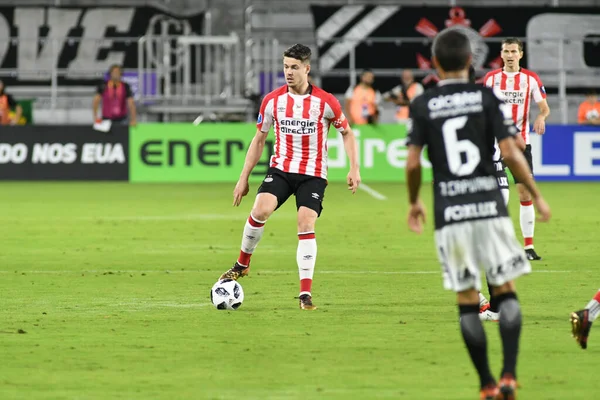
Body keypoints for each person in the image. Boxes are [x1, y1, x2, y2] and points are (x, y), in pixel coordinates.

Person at [405, 29, 551, 399]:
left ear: (435, 64)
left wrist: (413, 202)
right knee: (506, 292)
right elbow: (512, 152)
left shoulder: (424, 103)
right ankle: (509, 375)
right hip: (489, 206)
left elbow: (411, 163)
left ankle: (485, 383)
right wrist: (536, 194)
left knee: (468, 300)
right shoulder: (485, 96)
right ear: (471, 61)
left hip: (450, 214)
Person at [218, 44, 361, 310]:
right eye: (285, 66)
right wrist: (243, 178)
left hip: (313, 173)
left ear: (307, 68)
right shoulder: (273, 100)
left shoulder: (325, 101)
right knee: (260, 210)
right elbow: (259, 139)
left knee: (305, 221)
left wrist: (354, 167)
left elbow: (347, 133)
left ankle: (305, 294)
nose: (289, 72)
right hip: (282, 169)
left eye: (294, 67)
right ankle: (242, 264)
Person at [483, 38, 550, 261]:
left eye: (514, 51)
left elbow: (544, 107)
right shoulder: (491, 79)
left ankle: (528, 247)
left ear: (521, 54)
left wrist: (541, 117)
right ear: (501, 54)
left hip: (521, 143)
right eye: (506, 51)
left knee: (524, 193)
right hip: (494, 145)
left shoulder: (530, 79)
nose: (510, 55)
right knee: (499, 196)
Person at [473, 65, 527, 323]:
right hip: (498, 180)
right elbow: (516, 144)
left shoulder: (453, 107)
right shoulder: (494, 106)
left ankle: (494, 306)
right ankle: (489, 302)